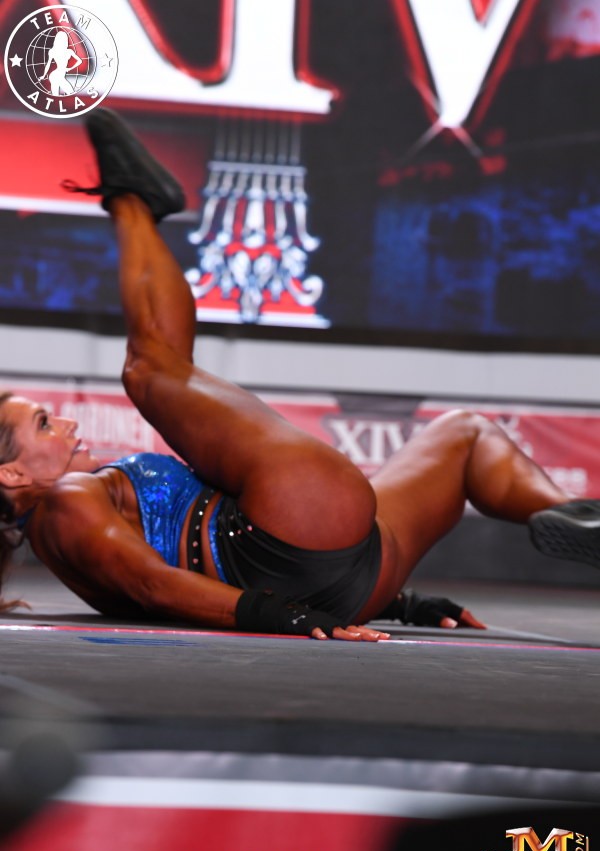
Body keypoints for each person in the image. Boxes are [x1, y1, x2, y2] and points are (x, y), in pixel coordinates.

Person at [0, 110, 596, 639]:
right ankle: (130, 200)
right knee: (150, 370)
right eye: (44, 424)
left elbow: (143, 592)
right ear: (11, 472)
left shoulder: (60, 539)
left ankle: (573, 515)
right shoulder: (66, 503)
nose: (67, 423)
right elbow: (153, 586)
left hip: (344, 578)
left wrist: (394, 602)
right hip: (284, 543)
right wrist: (275, 614)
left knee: (465, 436)